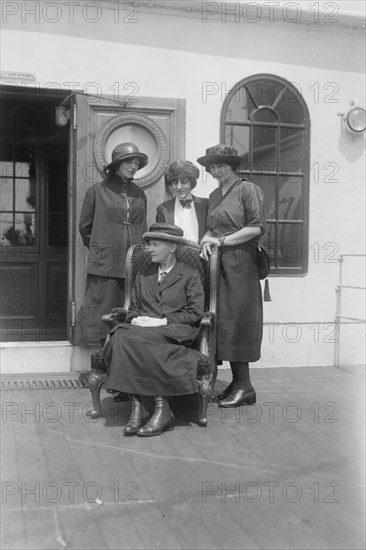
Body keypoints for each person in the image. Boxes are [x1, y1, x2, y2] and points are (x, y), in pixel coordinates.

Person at [103, 223, 205, 437]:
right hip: (145, 332)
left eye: (155, 244)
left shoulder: (190, 275)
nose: (149, 248)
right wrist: (137, 319)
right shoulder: (144, 274)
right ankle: (141, 407)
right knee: (121, 334)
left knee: (132, 339)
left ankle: (157, 408)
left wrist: (161, 322)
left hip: (175, 331)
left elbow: (196, 313)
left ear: (172, 247)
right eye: (148, 244)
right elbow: (132, 309)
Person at [197, 144, 266, 408]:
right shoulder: (215, 194)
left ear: (233, 166)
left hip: (241, 263)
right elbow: (209, 229)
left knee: (240, 318)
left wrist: (222, 241)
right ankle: (237, 384)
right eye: (212, 166)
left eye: (221, 165)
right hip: (218, 264)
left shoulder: (248, 189)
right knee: (223, 320)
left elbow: (256, 227)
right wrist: (205, 240)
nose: (216, 170)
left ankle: (246, 386)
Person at [79, 142, 148, 344]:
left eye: (136, 163)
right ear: (116, 165)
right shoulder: (97, 191)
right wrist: (103, 248)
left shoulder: (139, 193)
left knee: (128, 313)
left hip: (133, 263)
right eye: (128, 162)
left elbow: (143, 226)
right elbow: (85, 227)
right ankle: (102, 362)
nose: (133, 166)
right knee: (104, 312)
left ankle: (123, 363)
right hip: (105, 265)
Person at [156, 160, 208, 244]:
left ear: (192, 183)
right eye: (175, 183)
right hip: (174, 256)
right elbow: (160, 240)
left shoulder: (205, 205)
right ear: (171, 185)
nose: (179, 187)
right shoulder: (162, 209)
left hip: (200, 254)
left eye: (184, 182)